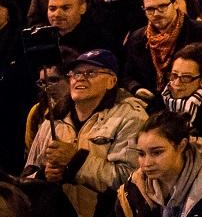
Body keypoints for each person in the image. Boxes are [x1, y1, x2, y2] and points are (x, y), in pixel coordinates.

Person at [23, 48, 149, 217]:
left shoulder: (132, 117)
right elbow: (27, 173)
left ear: (111, 81)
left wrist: (76, 160)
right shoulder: (54, 117)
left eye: (91, 73)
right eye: (75, 73)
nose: (80, 78)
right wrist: (44, 175)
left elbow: (131, 180)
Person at [115, 111, 202, 217]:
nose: (146, 163)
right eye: (141, 154)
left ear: (181, 146)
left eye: (157, 152)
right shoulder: (133, 191)